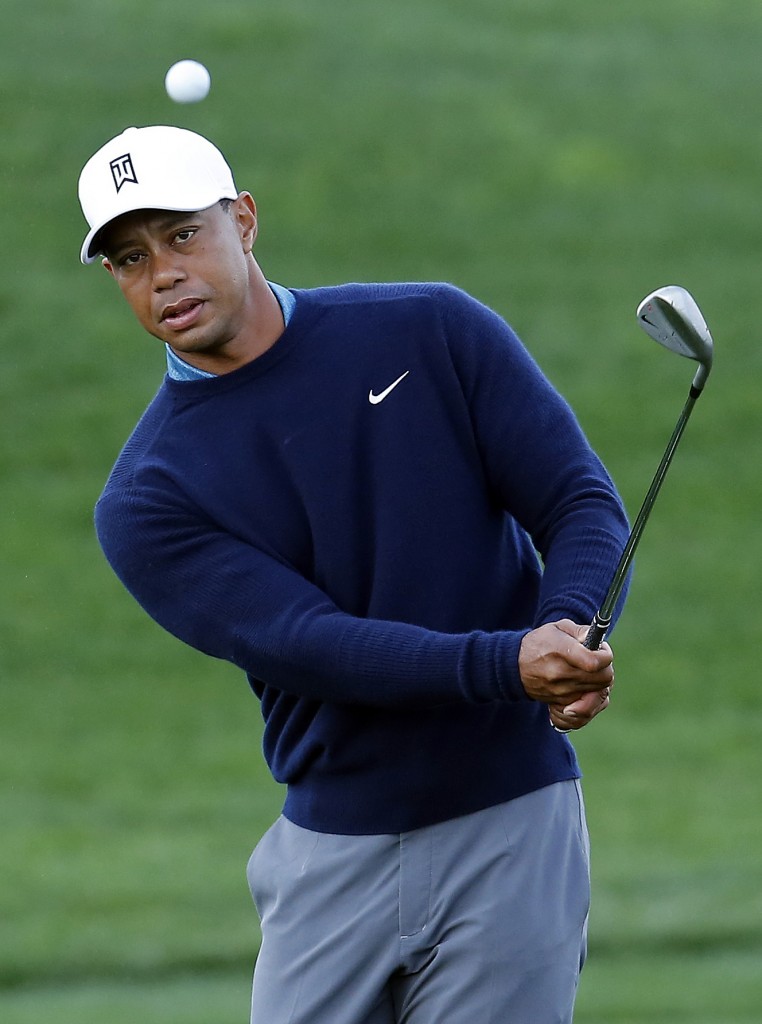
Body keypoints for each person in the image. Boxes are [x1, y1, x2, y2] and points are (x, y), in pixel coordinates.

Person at [77, 124, 630, 1024]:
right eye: (129, 259)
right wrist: (510, 665)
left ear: (244, 220)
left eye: (184, 234)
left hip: (513, 818)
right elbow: (312, 643)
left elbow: (577, 500)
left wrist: (569, 627)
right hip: (333, 853)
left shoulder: (428, 329)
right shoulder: (149, 498)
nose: (163, 275)